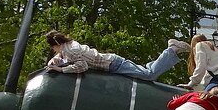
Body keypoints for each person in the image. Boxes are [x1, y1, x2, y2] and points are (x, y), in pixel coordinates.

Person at [46, 32, 189, 81]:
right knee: (147, 70)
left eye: (52, 48)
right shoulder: (68, 47)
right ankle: (169, 51)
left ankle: (172, 49)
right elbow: (65, 57)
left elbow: (81, 66)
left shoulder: (70, 50)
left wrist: (60, 70)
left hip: (114, 64)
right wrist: (56, 60)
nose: (53, 50)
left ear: (56, 44)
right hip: (111, 63)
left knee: (149, 75)